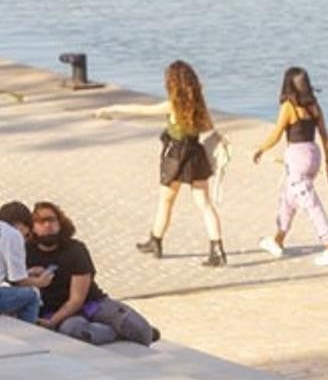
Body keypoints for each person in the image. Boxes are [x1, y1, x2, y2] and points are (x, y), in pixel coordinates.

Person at [95, 60, 229, 266]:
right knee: (204, 204)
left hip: (175, 156)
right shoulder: (199, 105)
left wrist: (111, 108)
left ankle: (156, 241)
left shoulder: (172, 105)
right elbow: (209, 129)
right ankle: (217, 248)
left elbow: (139, 110)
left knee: (166, 201)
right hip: (196, 155)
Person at [26, 201, 160, 346]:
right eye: (40, 221)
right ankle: (115, 333)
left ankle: (135, 330)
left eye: (51, 220)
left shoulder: (75, 250)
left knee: (140, 330)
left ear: (60, 223)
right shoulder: (25, 251)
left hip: (92, 303)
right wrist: (52, 320)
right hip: (59, 313)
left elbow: (76, 299)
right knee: (72, 330)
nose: (47, 225)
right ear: (32, 227)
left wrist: (52, 323)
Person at [253, 67, 328, 267]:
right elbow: (325, 135)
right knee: (288, 199)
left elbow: (277, 134)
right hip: (314, 155)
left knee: (311, 205)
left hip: (297, 158)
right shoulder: (314, 105)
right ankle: (277, 241)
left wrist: (261, 149)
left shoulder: (288, 107)